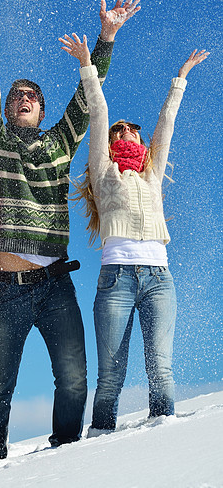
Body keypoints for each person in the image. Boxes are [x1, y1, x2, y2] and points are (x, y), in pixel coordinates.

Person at [0, 0, 141, 461]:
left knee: (75, 377)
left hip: (55, 283)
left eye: (32, 96)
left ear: (41, 110)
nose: (23, 99)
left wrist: (105, 39)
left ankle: (64, 460)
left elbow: (87, 102)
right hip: (5, 286)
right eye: (17, 95)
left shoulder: (60, 143)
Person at [62, 33, 209, 433]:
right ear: (109, 143)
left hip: (160, 279)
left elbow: (167, 125)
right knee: (111, 374)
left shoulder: (152, 174)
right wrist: (86, 66)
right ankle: (100, 437)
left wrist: (180, 78)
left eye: (132, 129)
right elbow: (98, 113)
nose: (125, 131)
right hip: (117, 280)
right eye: (119, 129)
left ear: (141, 141)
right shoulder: (103, 171)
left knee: (161, 368)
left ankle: (163, 439)